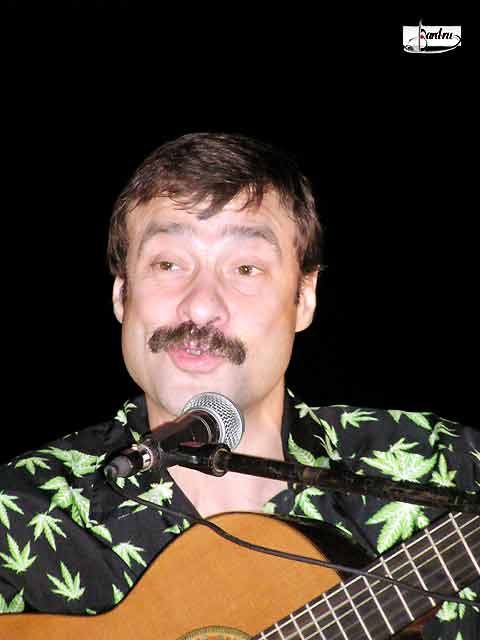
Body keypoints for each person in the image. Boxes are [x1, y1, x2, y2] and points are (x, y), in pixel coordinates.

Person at [0, 132, 478, 639]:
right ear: (122, 295)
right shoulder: (17, 515)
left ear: (304, 298)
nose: (201, 305)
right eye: (168, 264)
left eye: (245, 269)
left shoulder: (450, 470)